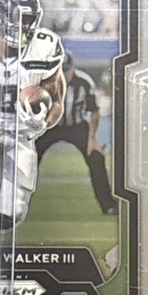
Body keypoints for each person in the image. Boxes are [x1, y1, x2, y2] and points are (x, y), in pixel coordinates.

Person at [0, 0, 66, 228]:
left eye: (28, 18)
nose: (22, 24)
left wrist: (42, 122)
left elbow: (56, 101)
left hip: (20, 131)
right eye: (15, 17)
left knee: (10, 215)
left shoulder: (45, 46)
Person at [36, 52, 118, 215]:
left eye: (66, 70)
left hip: (77, 126)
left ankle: (108, 205)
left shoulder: (84, 82)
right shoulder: (44, 82)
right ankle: (16, 203)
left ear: (73, 69)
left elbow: (94, 111)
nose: (64, 75)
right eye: (60, 70)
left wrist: (92, 139)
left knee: (96, 156)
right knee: (28, 158)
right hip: (48, 126)